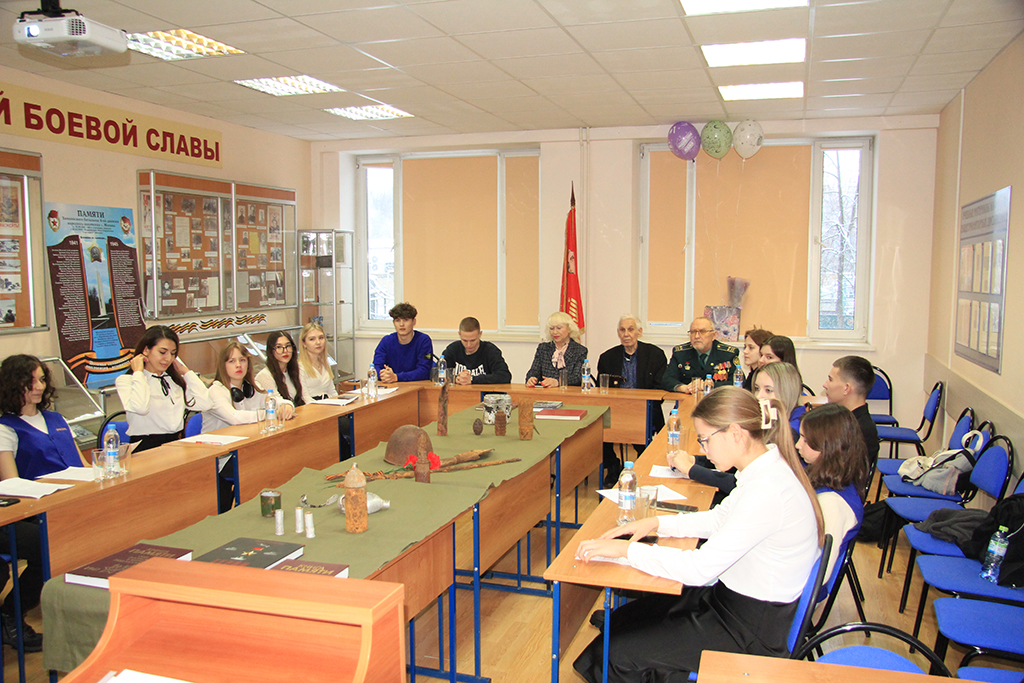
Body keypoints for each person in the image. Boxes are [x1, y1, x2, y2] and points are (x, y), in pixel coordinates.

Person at [573, 387, 823, 682]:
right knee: (621, 622)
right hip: (731, 601)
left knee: (614, 655)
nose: (703, 450)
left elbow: (699, 569)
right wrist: (656, 523)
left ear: (735, 433)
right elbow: (719, 519)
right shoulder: (762, 470)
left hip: (748, 630)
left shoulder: (766, 491)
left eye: (705, 440)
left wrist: (625, 550)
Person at [0, 355, 89, 651]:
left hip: (73, 501)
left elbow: (82, 464)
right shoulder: (6, 427)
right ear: (13, 385)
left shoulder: (56, 419)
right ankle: (11, 615)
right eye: (30, 382)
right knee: (49, 545)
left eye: (41, 380)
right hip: (33, 511)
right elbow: (11, 484)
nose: (38, 387)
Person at [672, 362, 804, 502]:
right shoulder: (768, 425)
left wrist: (691, 470)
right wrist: (696, 460)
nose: (759, 396)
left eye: (768, 390)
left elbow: (736, 482)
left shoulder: (792, 434)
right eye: (757, 389)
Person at [204, 343, 295, 511]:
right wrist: (268, 413)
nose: (238, 365)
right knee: (266, 463)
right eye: (232, 361)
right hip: (221, 459)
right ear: (223, 365)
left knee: (278, 455)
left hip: (245, 450)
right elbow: (235, 418)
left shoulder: (249, 388)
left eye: (242, 360)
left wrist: (286, 405)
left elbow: (275, 399)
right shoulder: (216, 391)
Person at [796, 403, 868, 580]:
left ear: (828, 446)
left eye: (805, 440)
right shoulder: (838, 478)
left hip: (796, 585)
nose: (798, 445)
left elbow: (819, 572)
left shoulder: (831, 504)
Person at [115, 325, 212, 452]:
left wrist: (186, 372)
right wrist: (138, 372)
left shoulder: (173, 381)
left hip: (176, 444)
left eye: (173, 353)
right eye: (162, 352)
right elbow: (141, 408)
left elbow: (205, 404)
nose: (168, 358)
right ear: (146, 350)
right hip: (146, 448)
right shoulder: (127, 380)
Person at [596, 315, 667, 486]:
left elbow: (660, 388)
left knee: (641, 437)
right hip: (614, 410)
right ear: (618, 333)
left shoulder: (655, 355)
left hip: (644, 409)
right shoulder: (607, 357)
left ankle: (644, 467)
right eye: (622, 330)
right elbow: (601, 390)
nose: (626, 334)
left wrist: (637, 405)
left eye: (630, 329)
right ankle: (613, 466)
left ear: (639, 332)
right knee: (597, 432)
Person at [822, 355, 880, 470]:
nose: (825, 385)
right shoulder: (843, 419)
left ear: (846, 388)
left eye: (830, 379)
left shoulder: (860, 431)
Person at [662, 317, 739, 394]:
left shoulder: (728, 354)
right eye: (693, 332)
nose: (696, 336)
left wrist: (710, 386)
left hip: (717, 398)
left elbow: (739, 381)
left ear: (714, 335)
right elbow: (667, 379)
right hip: (688, 398)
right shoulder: (680, 353)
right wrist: (684, 388)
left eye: (702, 331)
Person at [372, 302, 433, 383]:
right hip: (392, 385)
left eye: (406, 320)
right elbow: (376, 366)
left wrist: (397, 377)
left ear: (414, 322)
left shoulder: (424, 340)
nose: (401, 324)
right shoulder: (386, 341)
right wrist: (384, 375)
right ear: (394, 323)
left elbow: (424, 371)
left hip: (416, 385)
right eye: (398, 320)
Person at [442, 317, 512, 385]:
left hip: (483, 392)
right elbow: (439, 373)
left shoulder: (490, 350)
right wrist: (455, 379)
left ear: (480, 334)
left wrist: (472, 379)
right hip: (458, 392)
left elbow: (505, 376)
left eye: (473, 340)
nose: (469, 345)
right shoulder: (452, 349)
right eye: (465, 340)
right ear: (459, 334)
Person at [525, 312, 588, 387]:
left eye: (559, 328)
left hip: (568, 392)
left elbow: (577, 378)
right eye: (552, 328)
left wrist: (558, 382)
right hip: (546, 392)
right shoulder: (543, 348)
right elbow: (534, 371)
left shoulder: (580, 350)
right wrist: (531, 378)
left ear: (569, 329)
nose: (555, 332)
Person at [255, 331, 306, 406]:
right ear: (271, 351)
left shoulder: (297, 369)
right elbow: (277, 402)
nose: (285, 351)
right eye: (279, 347)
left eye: (288, 346)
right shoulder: (264, 376)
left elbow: (305, 397)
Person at [297, 322, 337, 400]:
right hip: (312, 404)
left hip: (328, 402)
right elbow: (305, 397)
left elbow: (332, 391)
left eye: (321, 338)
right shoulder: (300, 367)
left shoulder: (325, 364)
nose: (318, 342)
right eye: (312, 339)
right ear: (304, 343)